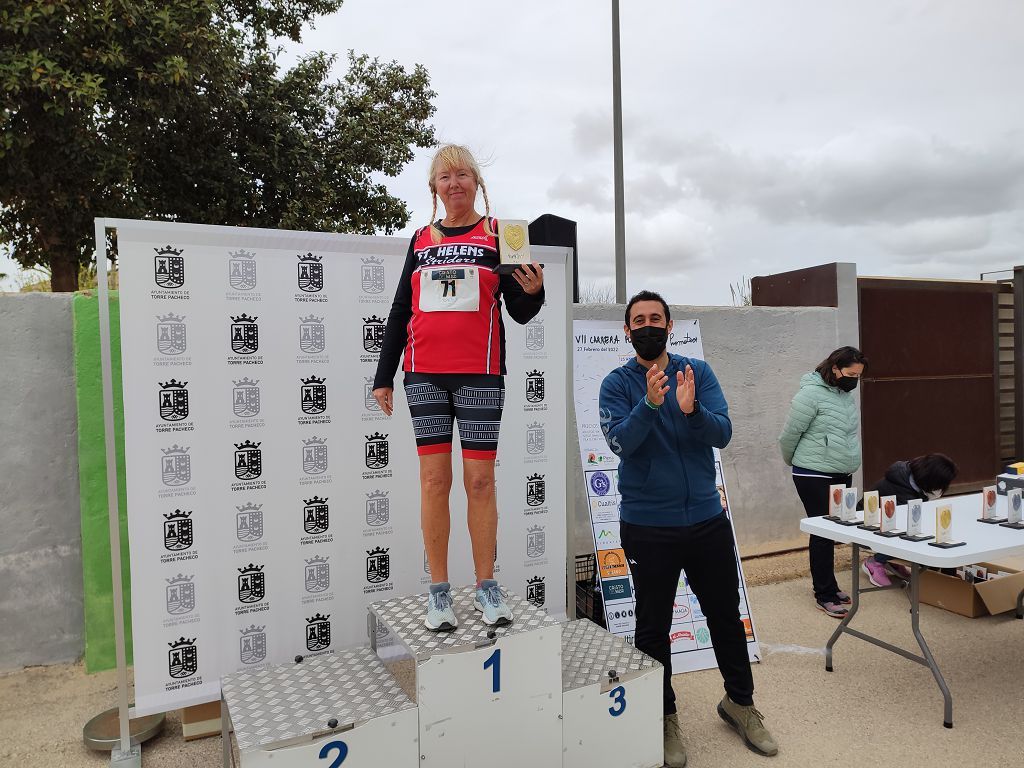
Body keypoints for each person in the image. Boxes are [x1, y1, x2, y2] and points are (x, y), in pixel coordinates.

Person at [600, 290, 778, 766]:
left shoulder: (695, 373)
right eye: (638, 320)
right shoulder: (616, 383)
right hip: (647, 526)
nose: (647, 325)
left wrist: (691, 410)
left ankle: (740, 703)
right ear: (627, 330)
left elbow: (722, 433)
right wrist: (651, 406)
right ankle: (662, 717)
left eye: (655, 318)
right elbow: (620, 443)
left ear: (670, 325)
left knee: (725, 615)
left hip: (706, 521)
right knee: (653, 628)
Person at [372, 144, 545, 631]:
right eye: (445, 176)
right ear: (434, 187)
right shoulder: (421, 239)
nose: (455, 183)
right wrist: (384, 375)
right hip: (424, 372)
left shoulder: (503, 235)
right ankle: (439, 592)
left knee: (480, 481)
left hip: (481, 373)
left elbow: (519, 308)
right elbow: (400, 309)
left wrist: (535, 291)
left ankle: (487, 587)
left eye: (463, 174)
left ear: (477, 183)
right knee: (434, 481)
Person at [778, 346, 867, 619]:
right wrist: (797, 461)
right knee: (823, 531)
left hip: (841, 471)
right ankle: (824, 594)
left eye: (859, 376)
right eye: (851, 374)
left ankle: (830, 586)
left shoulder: (844, 394)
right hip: (813, 473)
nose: (854, 380)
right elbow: (789, 434)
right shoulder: (810, 394)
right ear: (836, 368)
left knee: (837, 529)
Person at [860, 454, 959, 587]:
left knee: (920, 528)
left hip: (887, 524)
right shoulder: (903, 489)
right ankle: (875, 562)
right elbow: (904, 526)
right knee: (911, 532)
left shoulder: (913, 480)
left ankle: (893, 560)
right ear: (931, 479)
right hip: (865, 526)